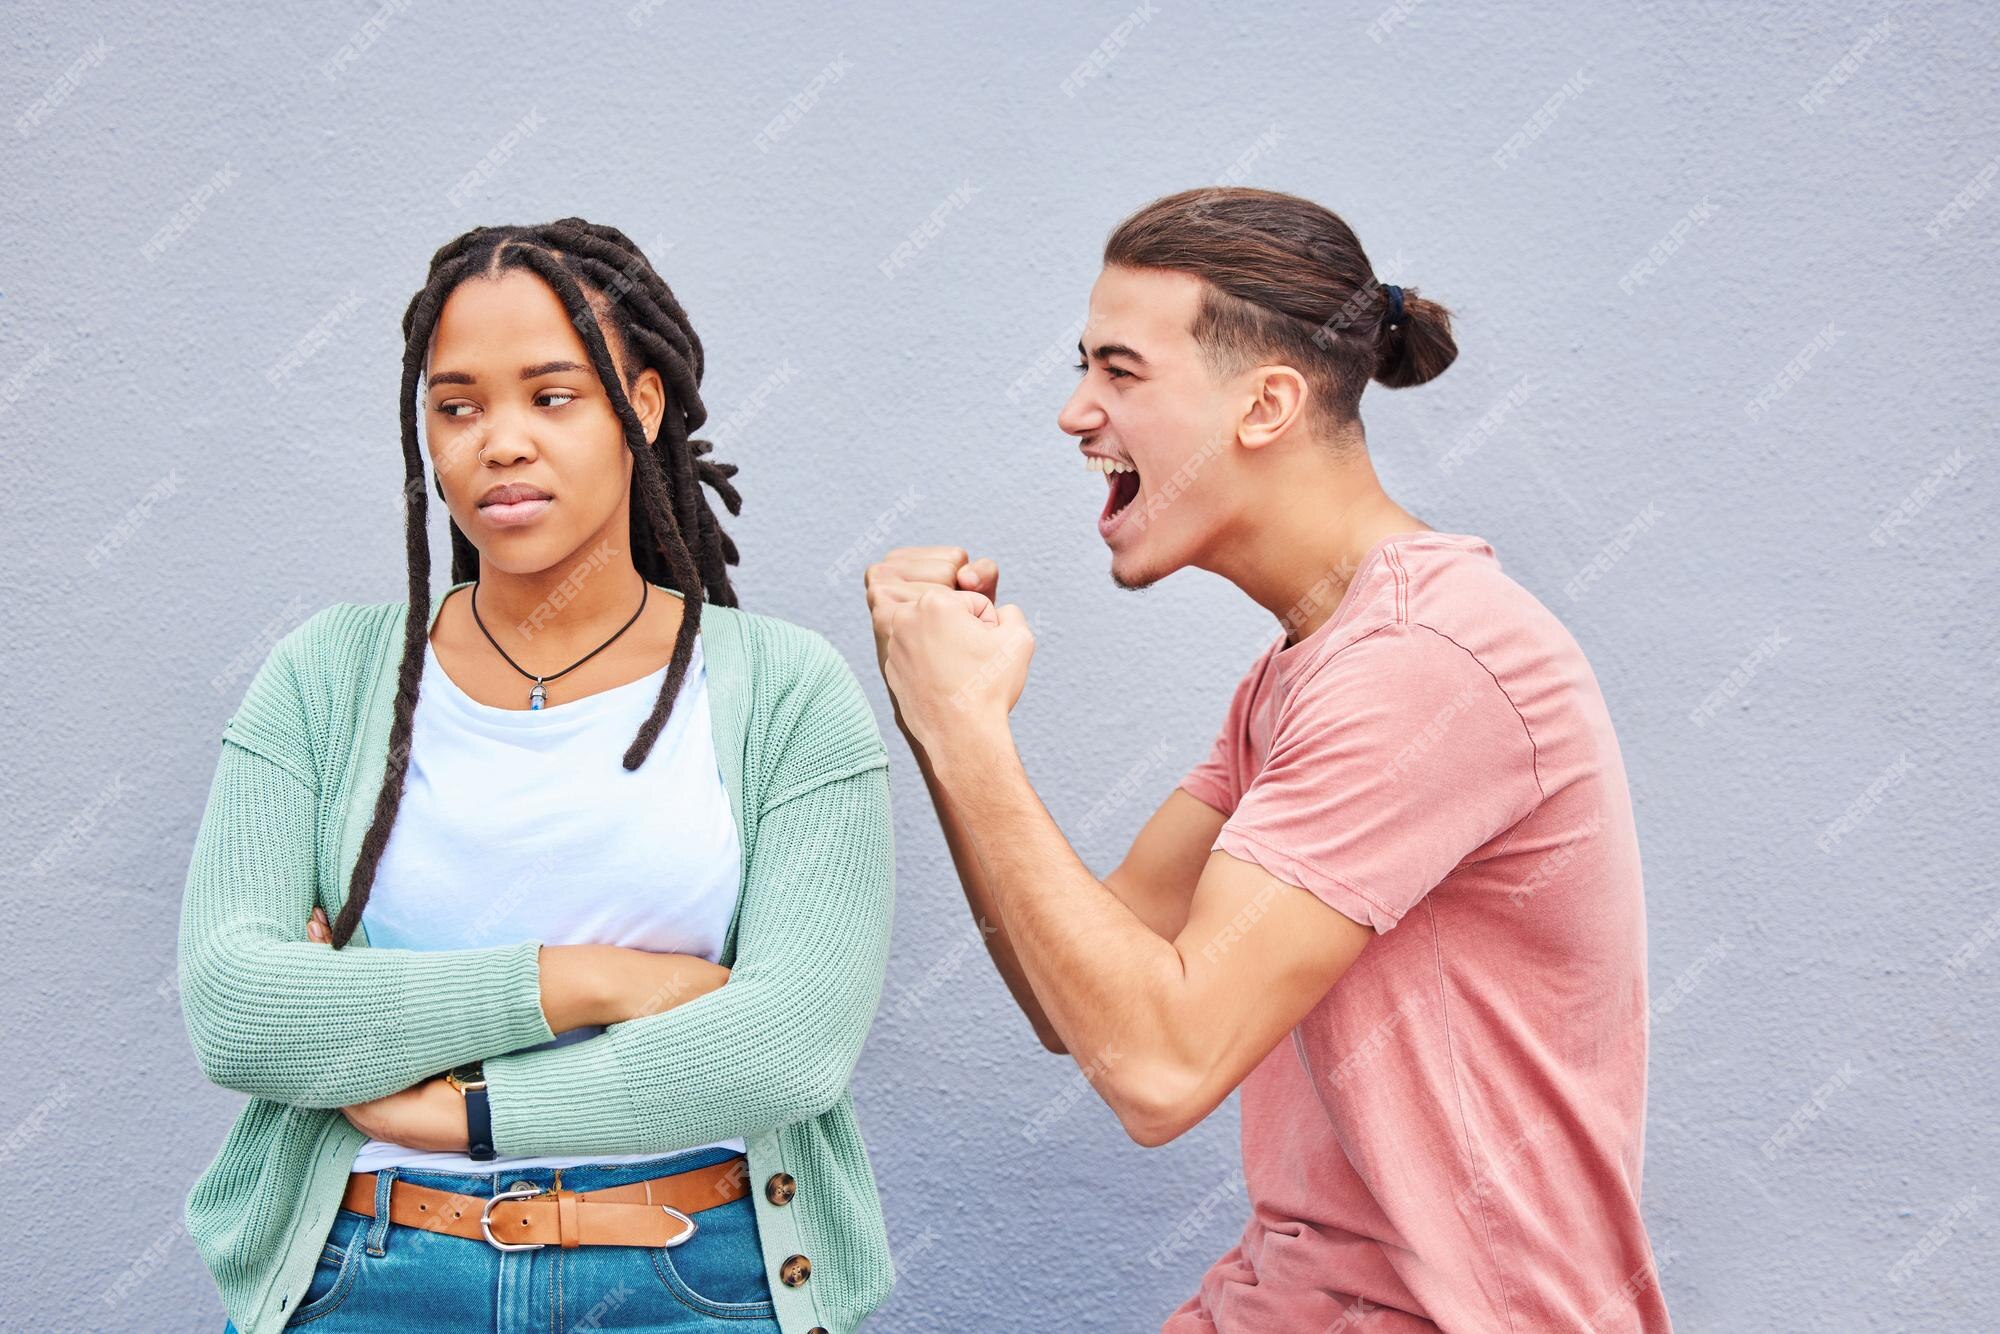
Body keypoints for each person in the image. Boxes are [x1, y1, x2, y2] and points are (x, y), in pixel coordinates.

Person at [865, 187, 1673, 1331]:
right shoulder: (1300, 670)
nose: (1073, 411)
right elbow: (1078, 1004)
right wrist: (938, 731)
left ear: (1265, 404)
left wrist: (968, 731)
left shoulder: (1424, 663)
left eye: (1119, 371)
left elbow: (1159, 1067)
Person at [181, 219, 894, 1334]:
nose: (497, 442)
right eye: (456, 405)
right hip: (365, 1272)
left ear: (640, 406)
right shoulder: (325, 677)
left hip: (696, 1277)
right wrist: (587, 981)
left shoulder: (786, 691)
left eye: (551, 396)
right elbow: (236, 1008)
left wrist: (459, 1109)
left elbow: (788, 1044)